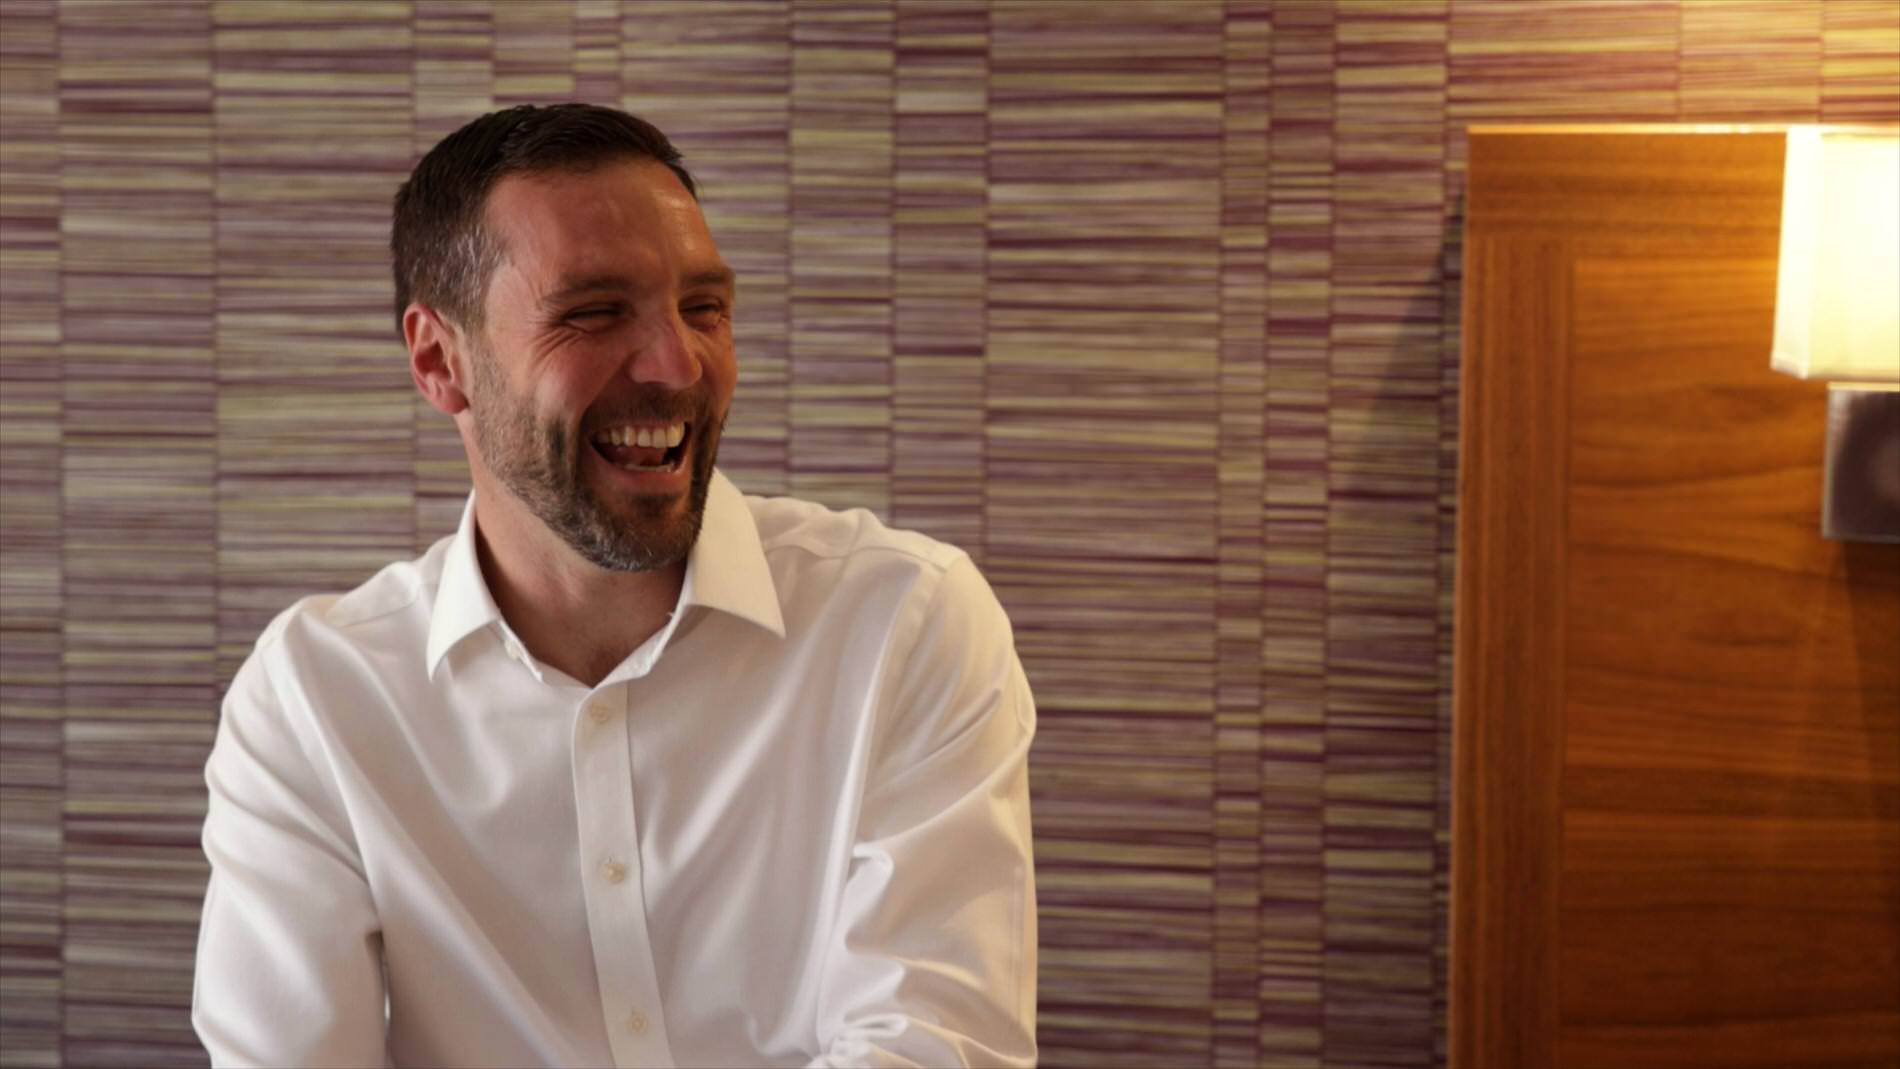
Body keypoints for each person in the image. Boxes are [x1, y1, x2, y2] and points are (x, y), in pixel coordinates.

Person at [191, 103, 1037, 1068]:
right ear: (440, 360)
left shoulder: (907, 623)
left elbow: (933, 1047)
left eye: (704, 307)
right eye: (593, 313)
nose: (678, 364)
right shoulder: (313, 699)